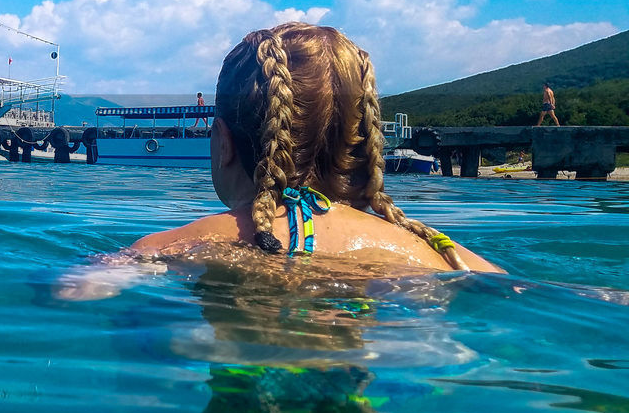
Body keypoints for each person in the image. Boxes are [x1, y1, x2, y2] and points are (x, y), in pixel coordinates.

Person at [134, 23, 501, 273]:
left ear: (222, 142)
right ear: (367, 143)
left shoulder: (164, 250)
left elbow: (84, 295)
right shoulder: (448, 260)